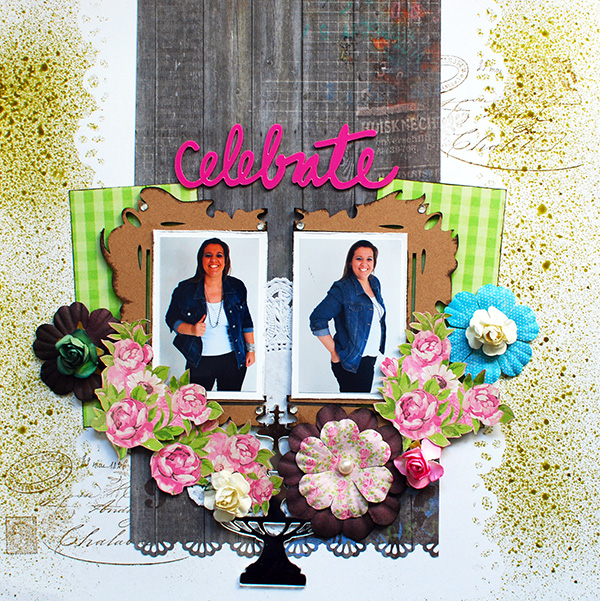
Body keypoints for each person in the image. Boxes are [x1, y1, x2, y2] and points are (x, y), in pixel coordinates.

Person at [165, 238, 255, 391]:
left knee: (229, 403)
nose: (214, 260)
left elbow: (246, 320)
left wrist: (251, 350)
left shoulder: (237, 287)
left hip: (233, 359)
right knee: (198, 403)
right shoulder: (185, 289)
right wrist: (191, 329)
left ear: (225, 261)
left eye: (219, 255)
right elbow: (171, 318)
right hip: (199, 360)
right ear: (201, 260)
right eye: (208, 255)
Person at [309, 240, 386, 393]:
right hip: (350, 362)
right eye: (359, 258)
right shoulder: (343, 288)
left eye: (369, 259)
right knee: (354, 406)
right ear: (350, 262)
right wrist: (334, 352)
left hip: (369, 359)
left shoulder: (374, 283)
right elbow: (317, 319)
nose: (364, 263)